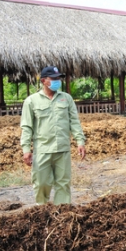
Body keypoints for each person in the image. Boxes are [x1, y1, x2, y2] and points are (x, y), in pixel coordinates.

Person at [20, 66, 86, 205]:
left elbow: (74, 121)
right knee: (41, 183)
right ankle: (41, 211)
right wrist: (26, 149)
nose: (57, 81)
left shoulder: (66, 99)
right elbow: (26, 126)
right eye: (54, 79)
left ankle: (62, 214)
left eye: (58, 79)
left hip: (62, 149)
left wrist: (80, 141)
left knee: (63, 183)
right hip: (43, 149)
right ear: (44, 81)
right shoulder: (31, 101)